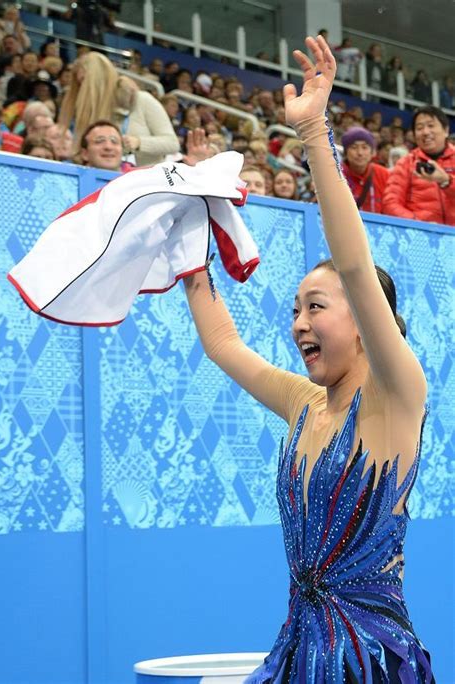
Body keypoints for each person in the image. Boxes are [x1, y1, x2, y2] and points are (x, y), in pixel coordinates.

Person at [183, 36, 434, 681]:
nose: (298, 324)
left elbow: (352, 262)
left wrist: (315, 133)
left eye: (316, 307)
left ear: (363, 315)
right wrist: (188, 249)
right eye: (295, 310)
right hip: (298, 648)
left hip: (369, 658)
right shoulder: (304, 402)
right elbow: (222, 346)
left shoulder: (397, 394)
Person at [58, 51, 179, 167]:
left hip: (146, 180)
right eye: (80, 83)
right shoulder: (89, 113)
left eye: (85, 81)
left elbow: (172, 143)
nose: (83, 89)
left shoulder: (142, 100)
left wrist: (139, 142)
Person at [383, 105, 454, 225]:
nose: (425, 132)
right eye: (419, 128)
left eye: (431, 126)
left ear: (446, 130)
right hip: (420, 238)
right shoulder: (405, 163)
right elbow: (390, 203)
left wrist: (446, 181)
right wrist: (419, 224)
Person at [341, 127, 390, 213]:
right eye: (354, 147)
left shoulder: (384, 174)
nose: (360, 153)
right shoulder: (335, 174)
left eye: (364, 147)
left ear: (372, 152)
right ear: (345, 152)